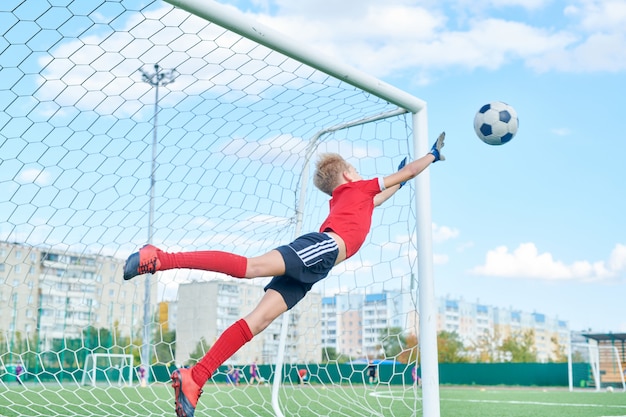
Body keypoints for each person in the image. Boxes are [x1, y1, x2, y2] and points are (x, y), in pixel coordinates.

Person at [123, 133, 445, 417]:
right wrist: (431, 155)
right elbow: (406, 172)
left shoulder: (351, 197)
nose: (363, 177)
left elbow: (384, 193)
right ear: (348, 175)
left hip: (317, 266)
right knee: (251, 267)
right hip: (321, 249)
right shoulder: (356, 189)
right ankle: (160, 258)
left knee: (259, 320)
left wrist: (401, 182)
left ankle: (196, 377)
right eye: (358, 172)